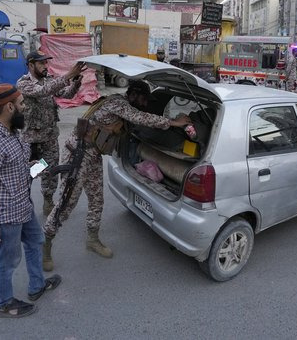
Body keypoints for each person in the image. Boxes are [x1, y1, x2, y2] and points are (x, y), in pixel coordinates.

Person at [41, 80, 191, 271]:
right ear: (135, 94)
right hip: (78, 153)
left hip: (93, 153)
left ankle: (93, 240)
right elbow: (141, 118)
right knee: (67, 203)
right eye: (144, 99)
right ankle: (46, 244)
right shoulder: (118, 103)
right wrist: (173, 122)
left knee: (97, 199)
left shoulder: (124, 106)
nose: (145, 104)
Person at [0, 84, 61, 318]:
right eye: (22, 104)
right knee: (8, 260)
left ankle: (36, 286)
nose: (25, 108)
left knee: (36, 242)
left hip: (23, 206)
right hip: (5, 214)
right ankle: (3, 303)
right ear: (9, 107)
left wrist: (37, 168)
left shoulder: (13, 132)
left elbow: (13, 170)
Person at [16, 51, 85, 217]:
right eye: (41, 63)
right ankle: (19, 203)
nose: (45, 66)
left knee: (50, 170)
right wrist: (68, 74)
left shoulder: (49, 79)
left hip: (50, 137)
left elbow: (65, 94)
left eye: (46, 63)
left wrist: (75, 83)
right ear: (31, 65)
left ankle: (48, 200)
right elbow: (43, 91)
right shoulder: (23, 83)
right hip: (31, 139)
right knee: (28, 173)